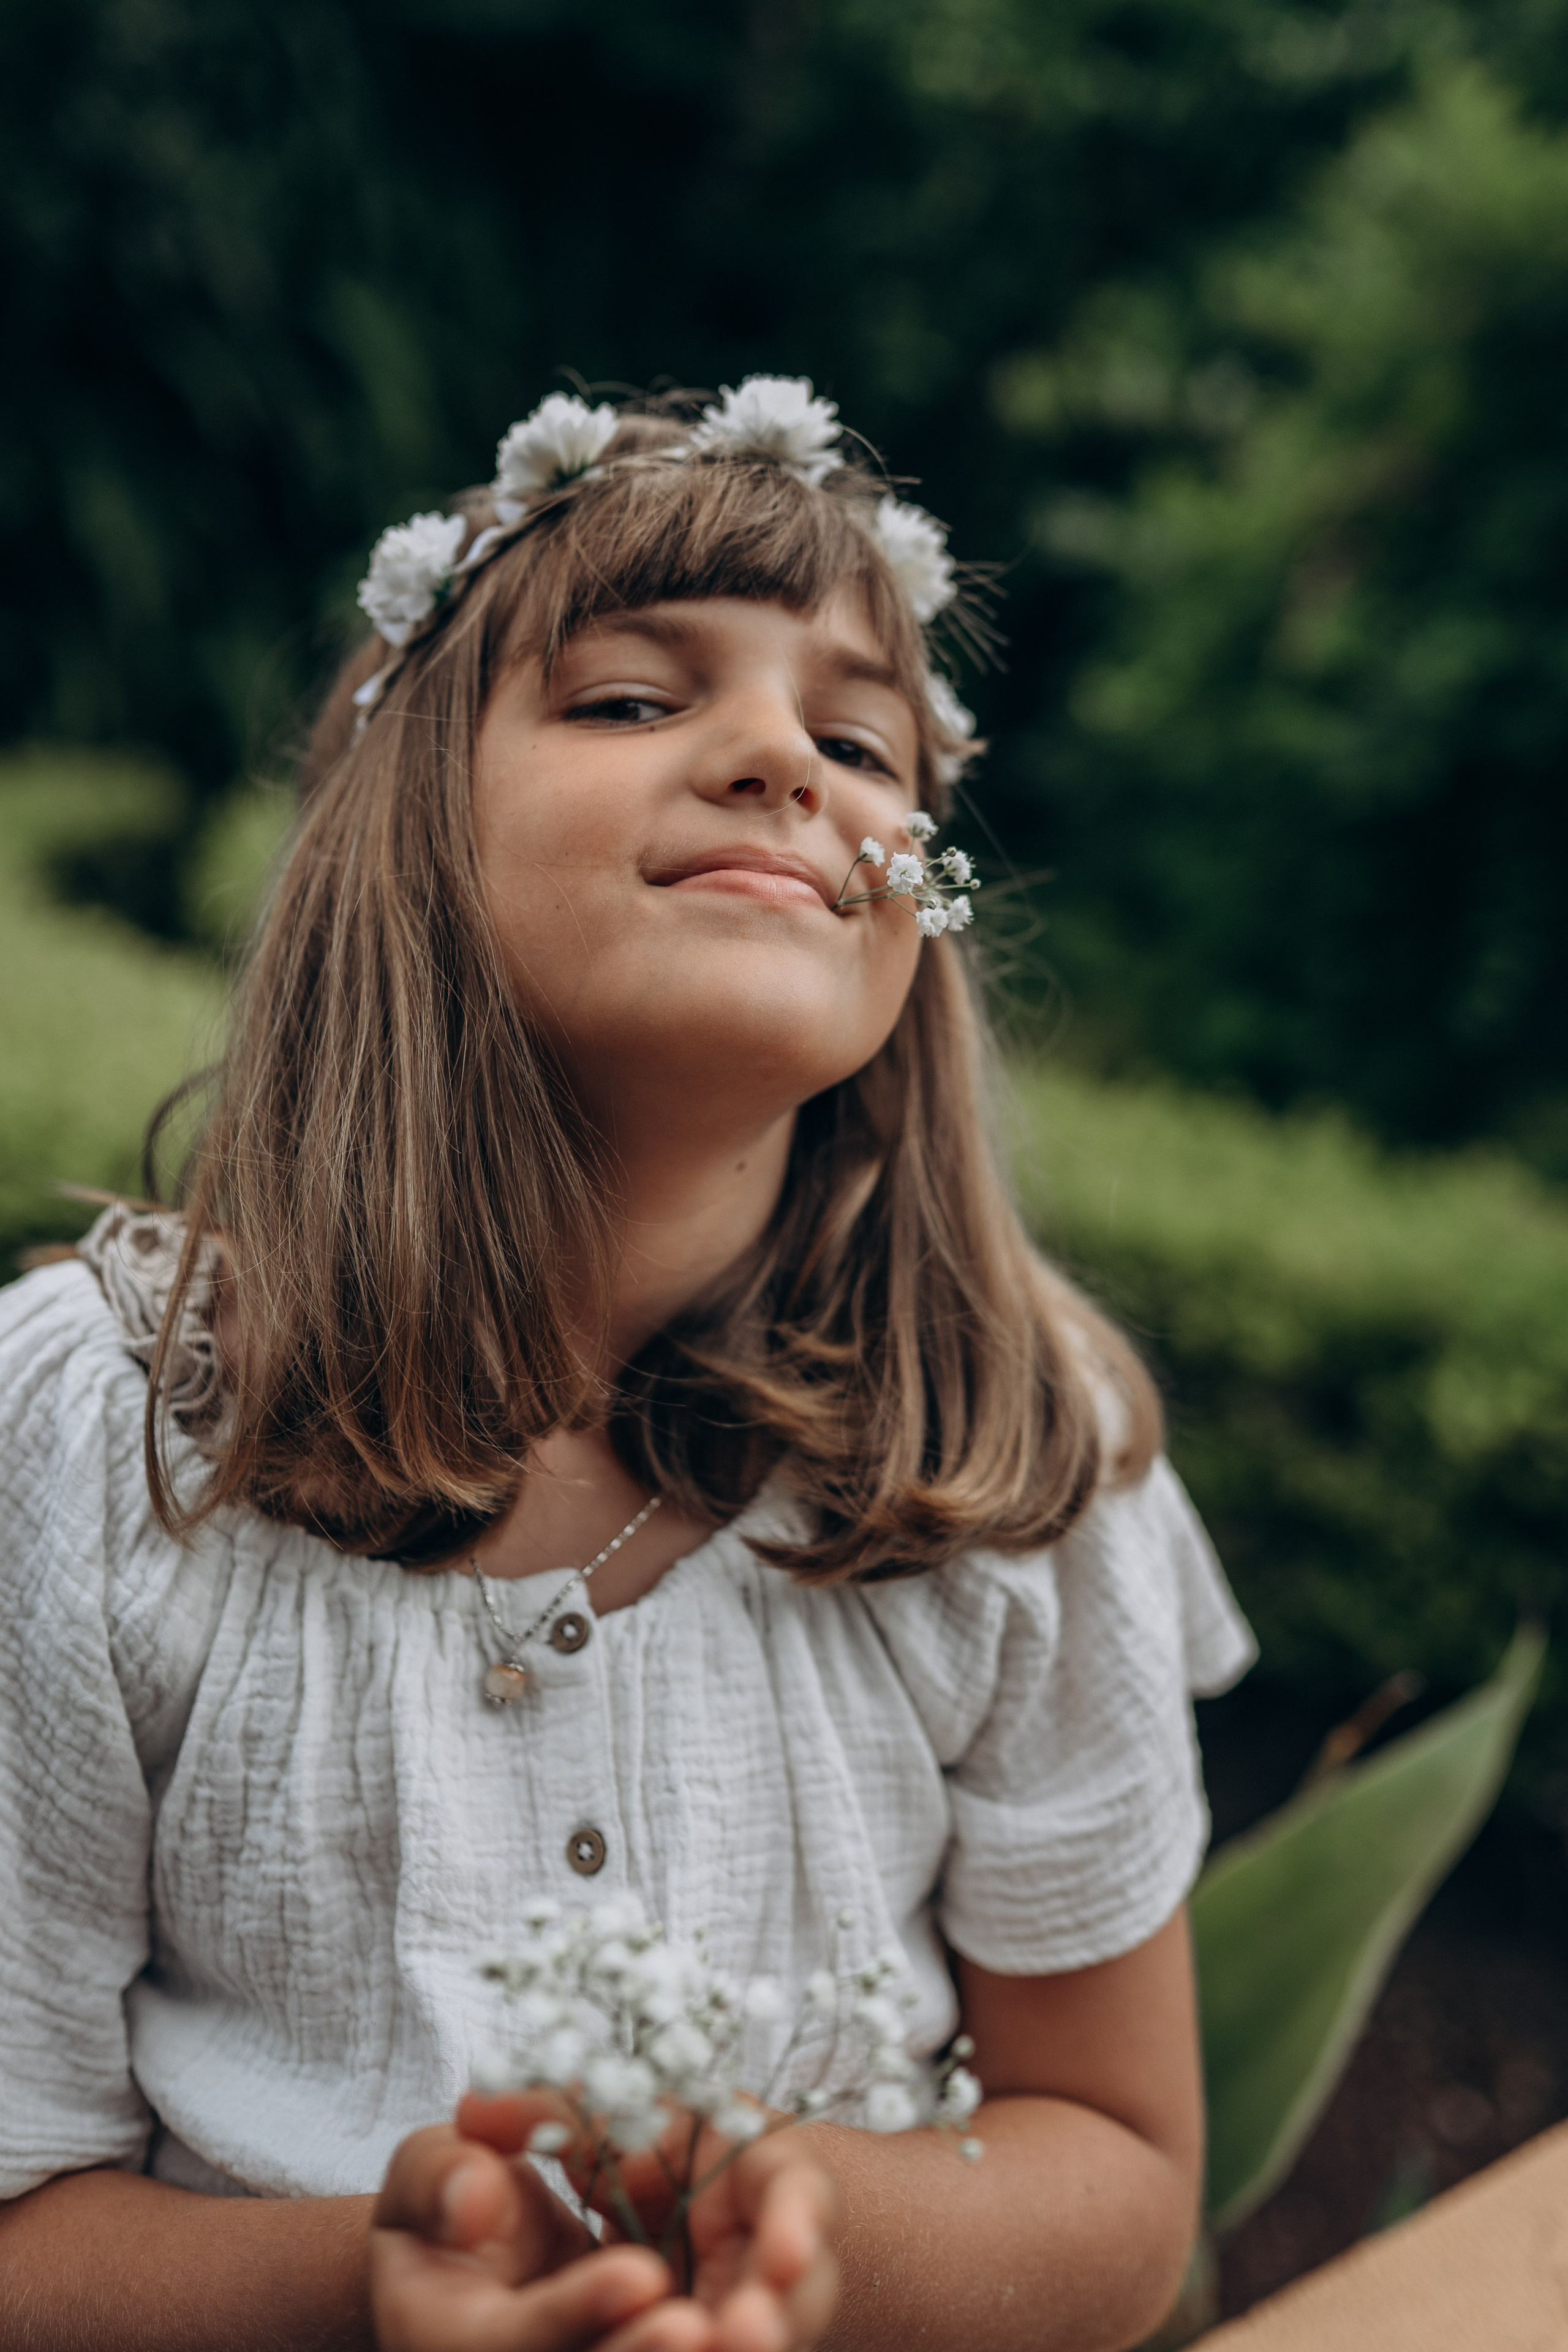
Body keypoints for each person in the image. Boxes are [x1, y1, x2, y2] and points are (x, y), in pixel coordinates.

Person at [0, 378, 1254, 2352]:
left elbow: (1116, 2174)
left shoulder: (1017, 1447)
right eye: (631, 699)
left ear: (911, 902)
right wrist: (386, 2289)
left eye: (861, 739)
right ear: (398, 836)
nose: (782, 759)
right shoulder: (102, 1437)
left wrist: (791, 2209)